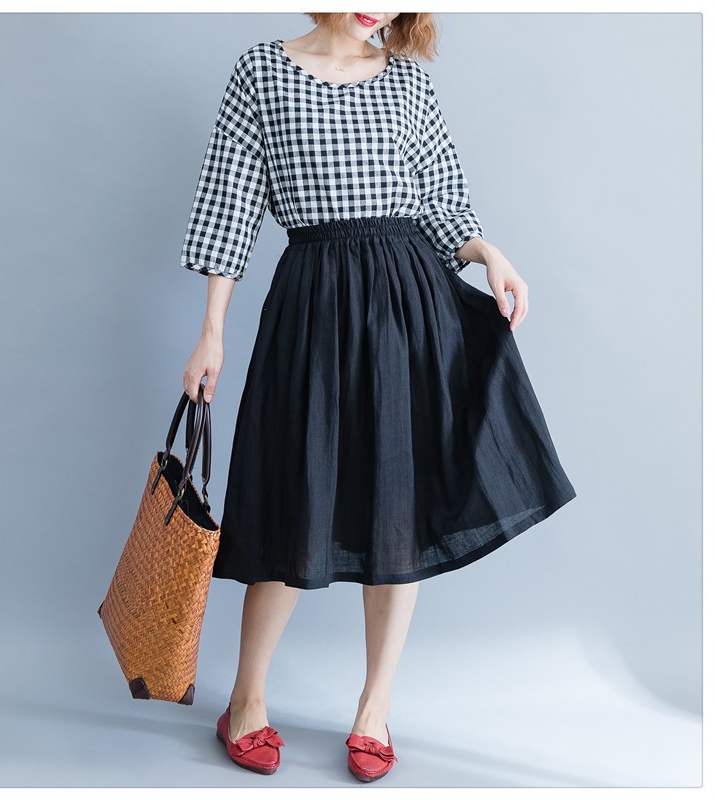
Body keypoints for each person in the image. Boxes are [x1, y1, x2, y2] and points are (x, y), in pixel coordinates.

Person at [179, 12, 577, 782]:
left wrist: (489, 252)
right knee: (297, 501)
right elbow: (228, 207)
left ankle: (373, 709)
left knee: (399, 506)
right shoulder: (261, 71)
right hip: (313, 306)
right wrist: (212, 334)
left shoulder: (409, 85)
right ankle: (247, 700)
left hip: (407, 309)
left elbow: (443, 202)